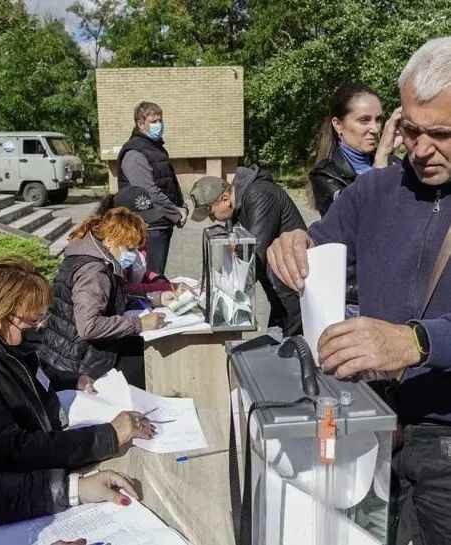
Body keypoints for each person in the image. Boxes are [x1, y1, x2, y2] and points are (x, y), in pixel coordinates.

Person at [267, 37, 451, 545]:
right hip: (369, 426)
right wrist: (290, 244)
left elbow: (416, 339)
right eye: (411, 129)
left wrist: (417, 342)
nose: (419, 148)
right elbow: (316, 249)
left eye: (440, 133)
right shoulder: (372, 190)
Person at [0, 258, 151, 528]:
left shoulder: (4, 340)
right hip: (11, 494)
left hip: (45, 457)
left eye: (42, 317)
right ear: (3, 315)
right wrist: (108, 436)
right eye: (32, 321)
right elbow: (11, 450)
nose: (40, 326)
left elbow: (33, 374)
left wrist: (70, 378)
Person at [39, 207, 165, 391]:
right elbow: (89, 326)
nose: (133, 255)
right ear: (112, 240)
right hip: (77, 362)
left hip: (70, 352)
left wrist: (156, 298)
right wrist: (139, 324)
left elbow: (114, 297)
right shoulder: (93, 271)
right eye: (130, 248)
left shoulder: (97, 257)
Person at [189, 165, 306, 336]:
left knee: (292, 349)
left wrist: (222, 290)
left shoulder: (260, 195)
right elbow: (234, 252)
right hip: (278, 287)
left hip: (294, 288)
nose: (212, 219)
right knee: (276, 343)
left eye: (211, 213)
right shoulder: (236, 207)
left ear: (225, 198)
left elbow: (254, 255)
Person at [309, 84, 403, 218]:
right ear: (338, 125)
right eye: (364, 120)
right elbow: (356, 218)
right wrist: (381, 157)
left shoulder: (394, 164)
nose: (375, 129)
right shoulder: (326, 175)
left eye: (378, 120)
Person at [117, 101, 188, 275]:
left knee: (157, 274)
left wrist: (182, 205)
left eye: (160, 120)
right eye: (154, 121)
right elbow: (149, 193)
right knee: (150, 278)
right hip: (149, 226)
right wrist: (176, 212)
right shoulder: (135, 153)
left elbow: (169, 182)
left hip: (161, 223)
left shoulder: (155, 149)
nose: (159, 125)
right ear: (140, 124)